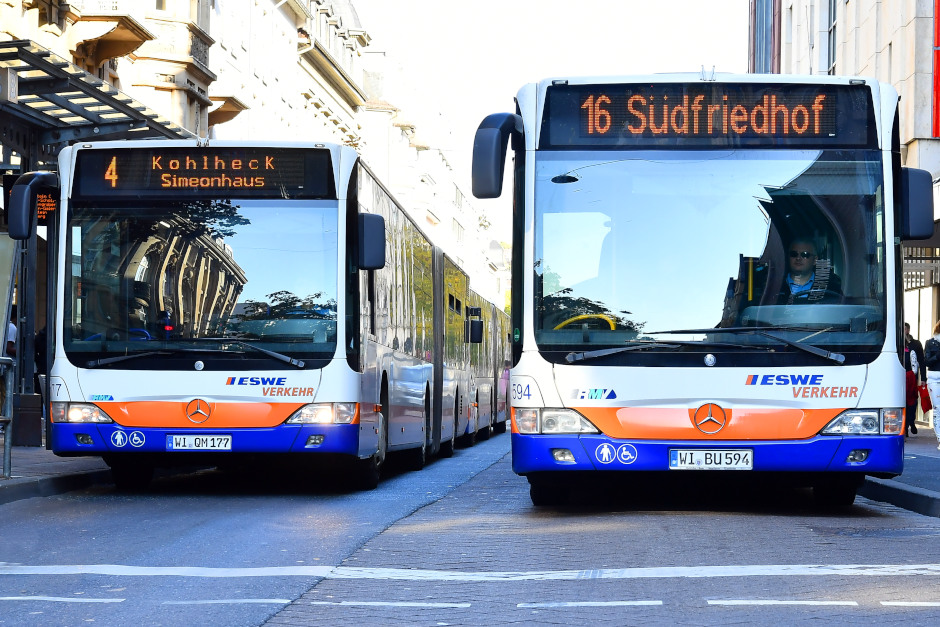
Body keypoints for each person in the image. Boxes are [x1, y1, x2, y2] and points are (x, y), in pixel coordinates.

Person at [777, 237, 843, 305]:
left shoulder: (831, 286)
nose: (798, 258)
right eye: (794, 254)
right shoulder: (775, 285)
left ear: (815, 260)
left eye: (805, 254)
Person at [923, 320, 940, 450]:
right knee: (937, 409)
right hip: (934, 376)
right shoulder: (930, 343)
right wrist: (938, 355)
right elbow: (927, 361)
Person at [905, 335, 919, 435]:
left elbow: (915, 367)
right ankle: (907, 425)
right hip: (908, 377)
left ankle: (911, 422)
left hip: (908, 378)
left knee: (910, 401)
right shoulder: (910, 352)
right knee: (910, 401)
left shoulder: (911, 352)